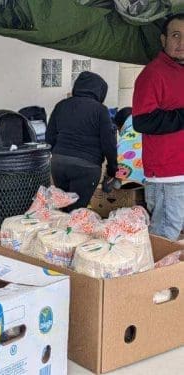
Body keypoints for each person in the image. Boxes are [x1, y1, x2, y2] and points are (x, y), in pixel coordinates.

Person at [132, 13, 184, 241]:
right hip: (167, 174)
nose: (182, 43)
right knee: (165, 233)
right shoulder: (153, 73)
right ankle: (154, 278)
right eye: (176, 35)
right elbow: (143, 120)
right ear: (163, 40)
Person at [45, 71, 118, 211]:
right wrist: (112, 170)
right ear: (100, 91)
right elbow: (109, 143)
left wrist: (60, 154)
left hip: (59, 164)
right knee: (76, 212)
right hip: (86, 167)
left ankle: (59, 231)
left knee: (63, 208)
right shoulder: (100, 110)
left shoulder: (61, 105)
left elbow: (49, 138)